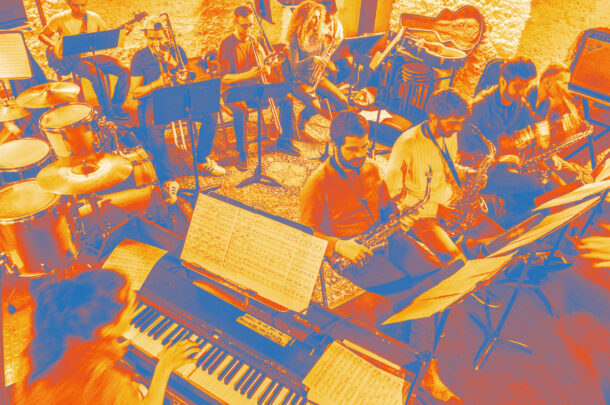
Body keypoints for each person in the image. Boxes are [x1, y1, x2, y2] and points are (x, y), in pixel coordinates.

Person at [300, 110, 460, 403]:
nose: (360, 155)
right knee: (413, 293)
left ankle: (411, 355)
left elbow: (385, 206)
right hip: (352, 251)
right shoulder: (318, 182)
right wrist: (338, 245)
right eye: (352, 149)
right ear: (335, 144)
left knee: (439, 276)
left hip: (385, 236)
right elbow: (305, 234)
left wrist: (399, 213)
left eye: (364, 147)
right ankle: (423, 368)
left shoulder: (371, 168)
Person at [14, 269, 199, 404]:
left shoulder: (52, 331)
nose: (134, 298)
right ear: (107, 328)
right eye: (129, 305)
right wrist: (164, 366)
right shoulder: (103, 382)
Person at [385, 89, 503, 262]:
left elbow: (448, 167)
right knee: (457, 263)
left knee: (501, 241)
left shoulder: (449, 134)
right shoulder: (407, 145)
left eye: (460, 123)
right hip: (423, 216)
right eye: (453, 123)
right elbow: (393, 194)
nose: (458, 128)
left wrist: (467, 174)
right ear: (433, 116)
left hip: (452, 205)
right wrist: (437, 209)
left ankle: (471, 247)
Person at [130, 19, 225, 203]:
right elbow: (136, 92)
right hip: (155, 100)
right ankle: (167, 179)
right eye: (151, 39)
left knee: (211, 114)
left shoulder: (177, 51)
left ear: (167, 37)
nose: (156, 43)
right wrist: (156, 84)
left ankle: (202, 158)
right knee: (154, 132)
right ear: (145, 37)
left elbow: (187, 78)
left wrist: (172, 62)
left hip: (178, 96)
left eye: (159, 38)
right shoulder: (139, 57)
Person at [460, 57, 546, 226]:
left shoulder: (519, 104)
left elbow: (536, 123)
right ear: (502, 81)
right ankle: (505, 228)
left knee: (537, 189)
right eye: (518, 87)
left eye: (526, 87)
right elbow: (464, 148)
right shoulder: (480, 106)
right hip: (482, 173)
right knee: (535, 188)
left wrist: (544, 135)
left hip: (504, 166)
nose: (523, 92)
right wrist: (501, 155)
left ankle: (506, 224)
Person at [215, 5, 301, 171]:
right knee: (240, 112)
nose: (248, 29)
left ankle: (284, 141)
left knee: (286, 99)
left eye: (251, 25)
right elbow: (223, 78)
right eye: (244, 26)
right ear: (235, 23)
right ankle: (242, 153)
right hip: (232, 91)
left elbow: (265, 64)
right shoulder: (226, 44)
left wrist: (266, 66)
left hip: (253, 89)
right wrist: (249, 74)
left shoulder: (254, 41)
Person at [38, 0, 130, 120]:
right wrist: (54, 45)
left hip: (94, 55)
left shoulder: (94, 17)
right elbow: (42, 35)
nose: (80, 9)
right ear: (68, 4)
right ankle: (108, 111)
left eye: (83, 5)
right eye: (76, 5)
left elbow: (107, 36)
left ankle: (116, 107)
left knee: (125, 70)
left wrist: (123, 33)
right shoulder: (60, 18)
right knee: (96, 73)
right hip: (74, 60)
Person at [287, 0, 351, 130]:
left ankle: (341, 130)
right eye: (313, 18)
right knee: (315, 107)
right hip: (299, 79)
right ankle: (303, 117)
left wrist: (327, 61)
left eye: (318, 17)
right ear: (304, 19)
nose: (317, 21)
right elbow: (294, 67)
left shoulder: (320, 35)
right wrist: (313, 59)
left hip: (317, 77)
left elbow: (325, 55)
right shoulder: (295, 38)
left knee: (343, 101)